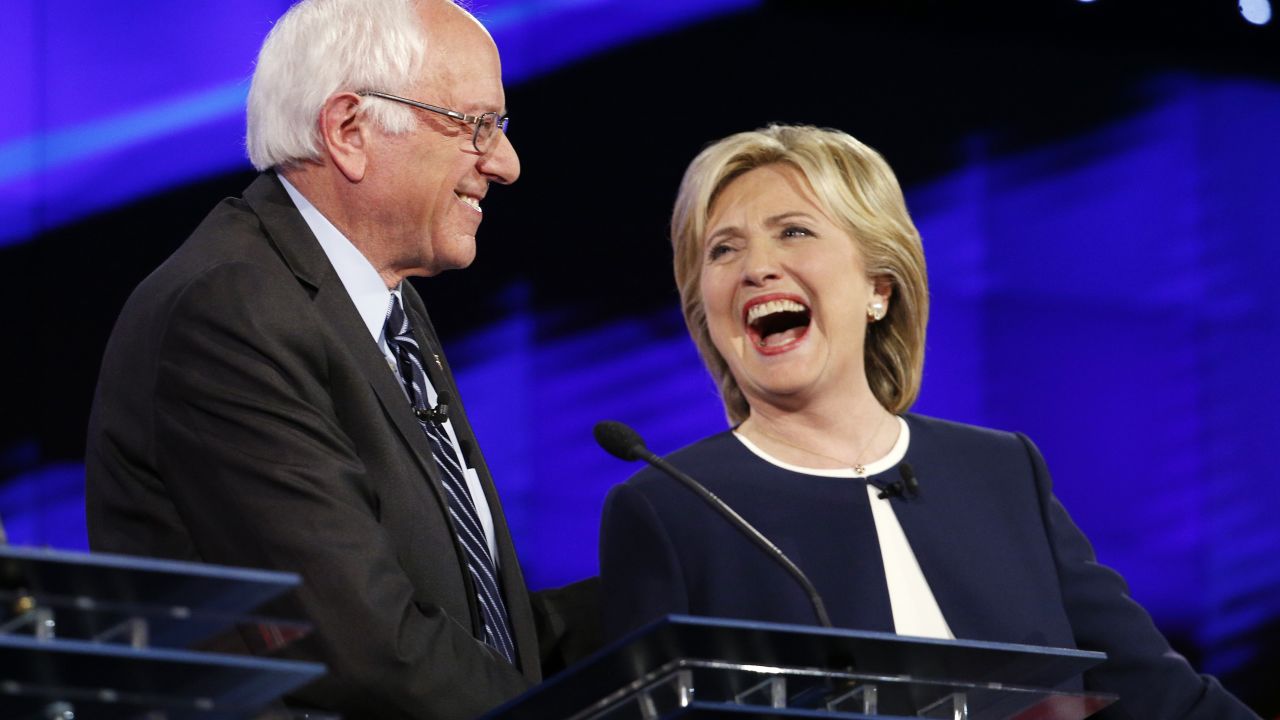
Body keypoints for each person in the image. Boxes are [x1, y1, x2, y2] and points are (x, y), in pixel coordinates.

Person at [598, 124, 1259, 719]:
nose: (756, 268)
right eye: (722, 251)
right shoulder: (670, 507)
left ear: (878, 289)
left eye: (794, 230)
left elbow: (1162, 695)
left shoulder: (1001, 472)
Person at [85, 1, 596, 718]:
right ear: (350, 130)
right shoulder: (232, 309)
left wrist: (672, 581)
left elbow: (461, 618)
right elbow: (365, 643)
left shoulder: (380, 303)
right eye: (477, 125)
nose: (505, 163)